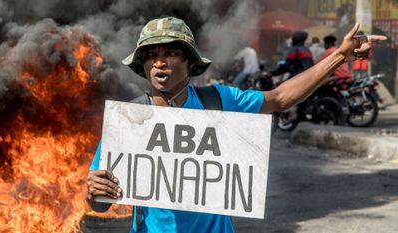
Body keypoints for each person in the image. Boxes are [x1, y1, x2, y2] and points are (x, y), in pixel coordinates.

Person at [86, 16, 385, 233]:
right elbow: (100, 204)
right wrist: (94, 191)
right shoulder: (129, 120)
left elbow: (280, 98)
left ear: (190, 62)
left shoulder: (218, 100)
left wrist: (340, 56)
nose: (159, 62)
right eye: (151, 56)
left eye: (171, 53)